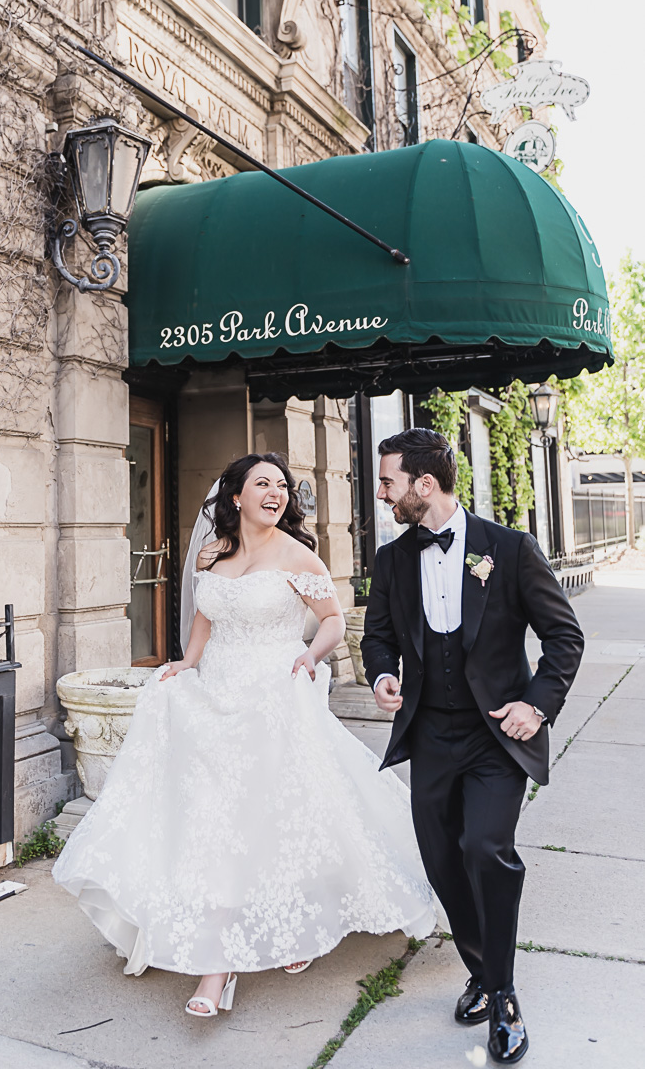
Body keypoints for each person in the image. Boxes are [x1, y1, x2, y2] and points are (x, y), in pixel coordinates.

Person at [54, 452, 436, 1017]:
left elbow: (333, 620)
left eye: (282, 485)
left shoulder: (299, 555)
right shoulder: (212, 554)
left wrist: (310, 656)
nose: (276, 492)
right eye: (263, 483)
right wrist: (185, 665)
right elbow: (205, 621)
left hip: (274, 693)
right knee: (218, 821)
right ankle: (243, 943)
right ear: (236, 497)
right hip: (217, 696)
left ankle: (220, 967)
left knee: (271, 816)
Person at [362, 428, 584, 1064]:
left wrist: (537, 705)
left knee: (487, 849)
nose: (382, 494)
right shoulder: (394, 559)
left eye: (388, 482)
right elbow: (377, 637)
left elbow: (564, 638)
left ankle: (505, 995)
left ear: (423, 485)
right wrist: (382, 674)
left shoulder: (509, 550)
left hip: (495, 735)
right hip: (429, 732)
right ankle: (482, 971)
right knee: (443, 861)